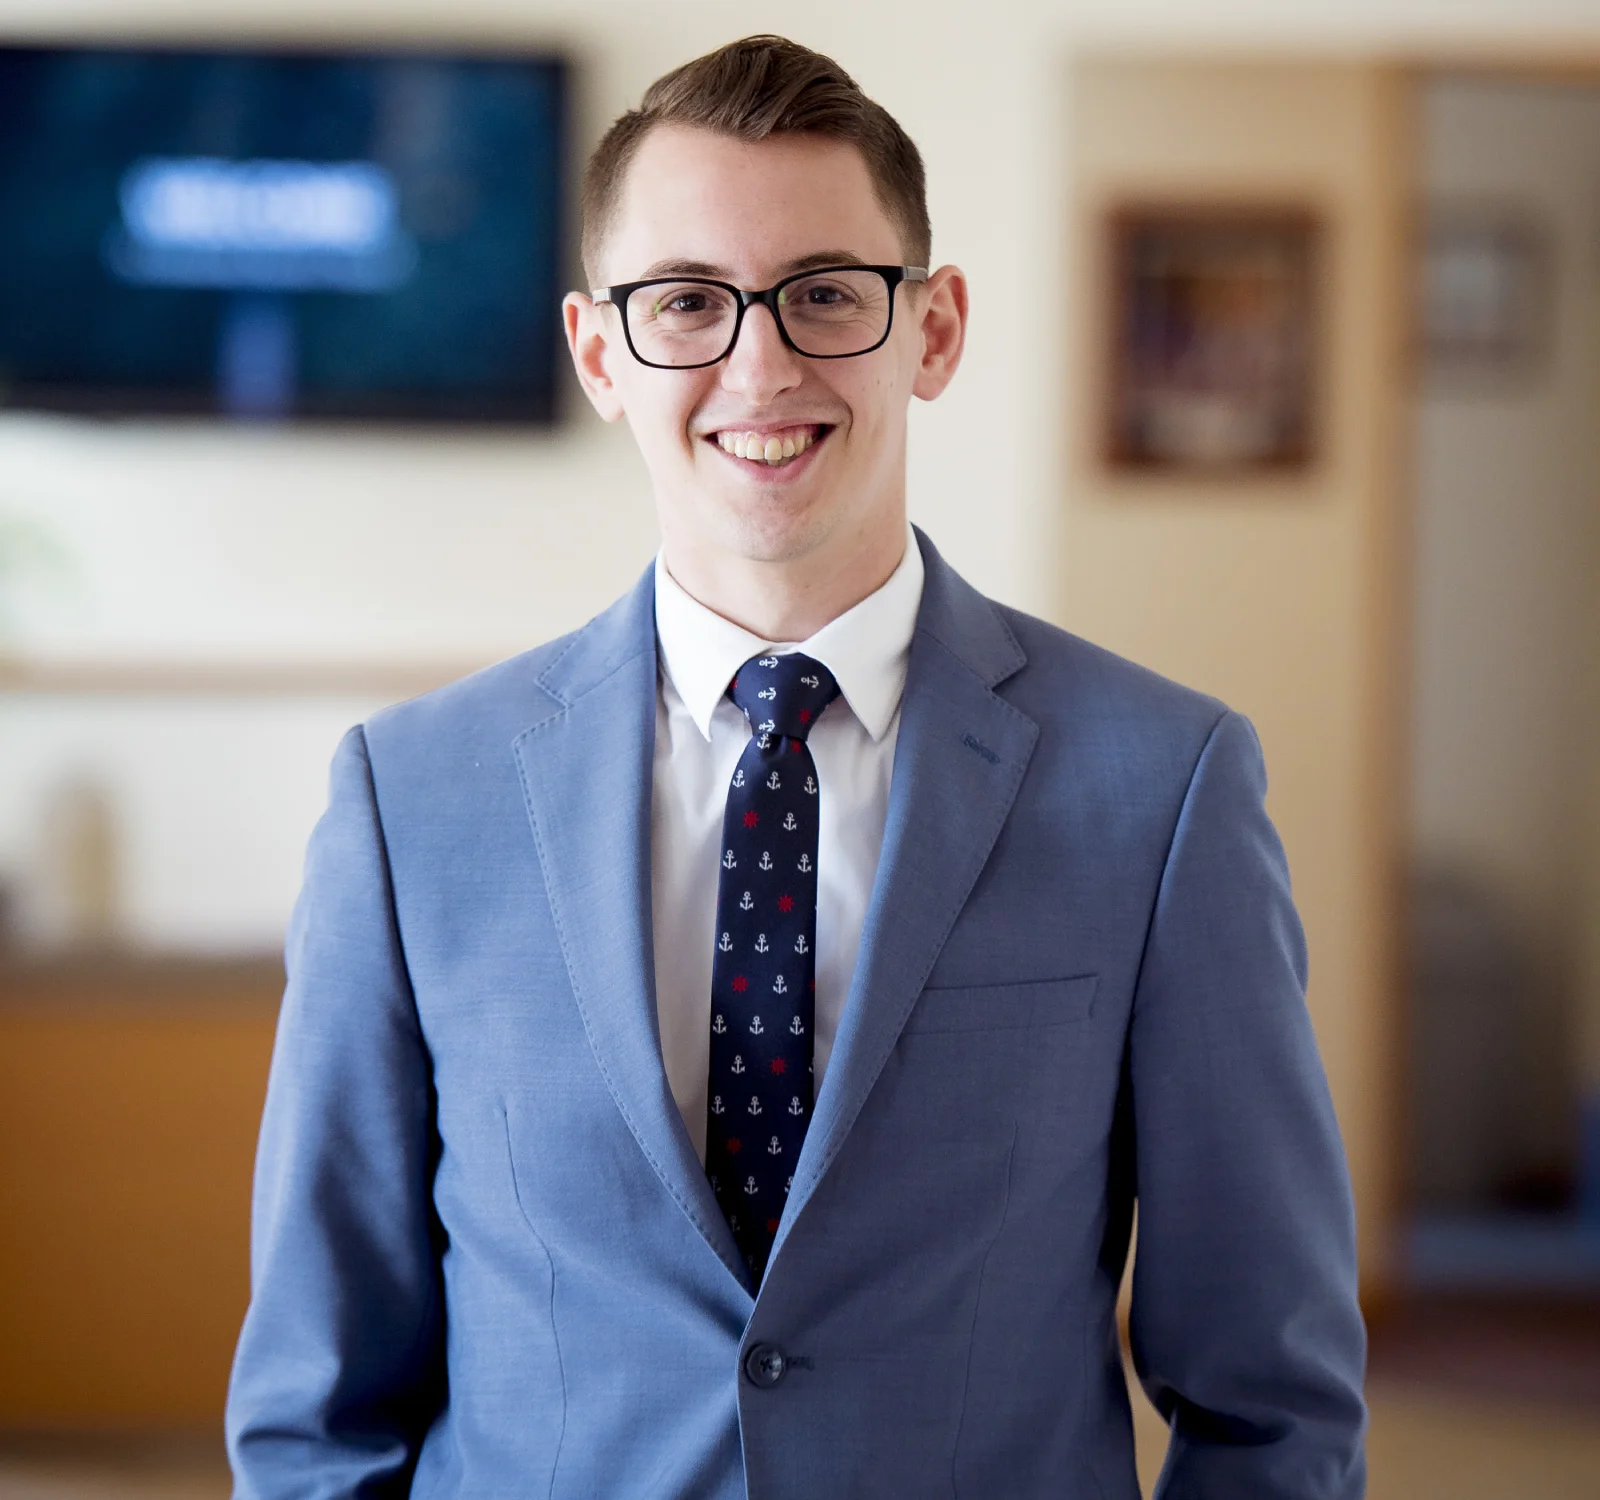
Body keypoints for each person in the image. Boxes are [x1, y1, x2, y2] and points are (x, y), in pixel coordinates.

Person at [227, 34, 1367, 1500]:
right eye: (688, 303)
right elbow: (319, 1411)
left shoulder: (1165, 786)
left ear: (934, 330)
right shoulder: (410, 802)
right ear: (598, 353)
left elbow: (1273, 1406)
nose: (759, 364)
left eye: (827, 294)